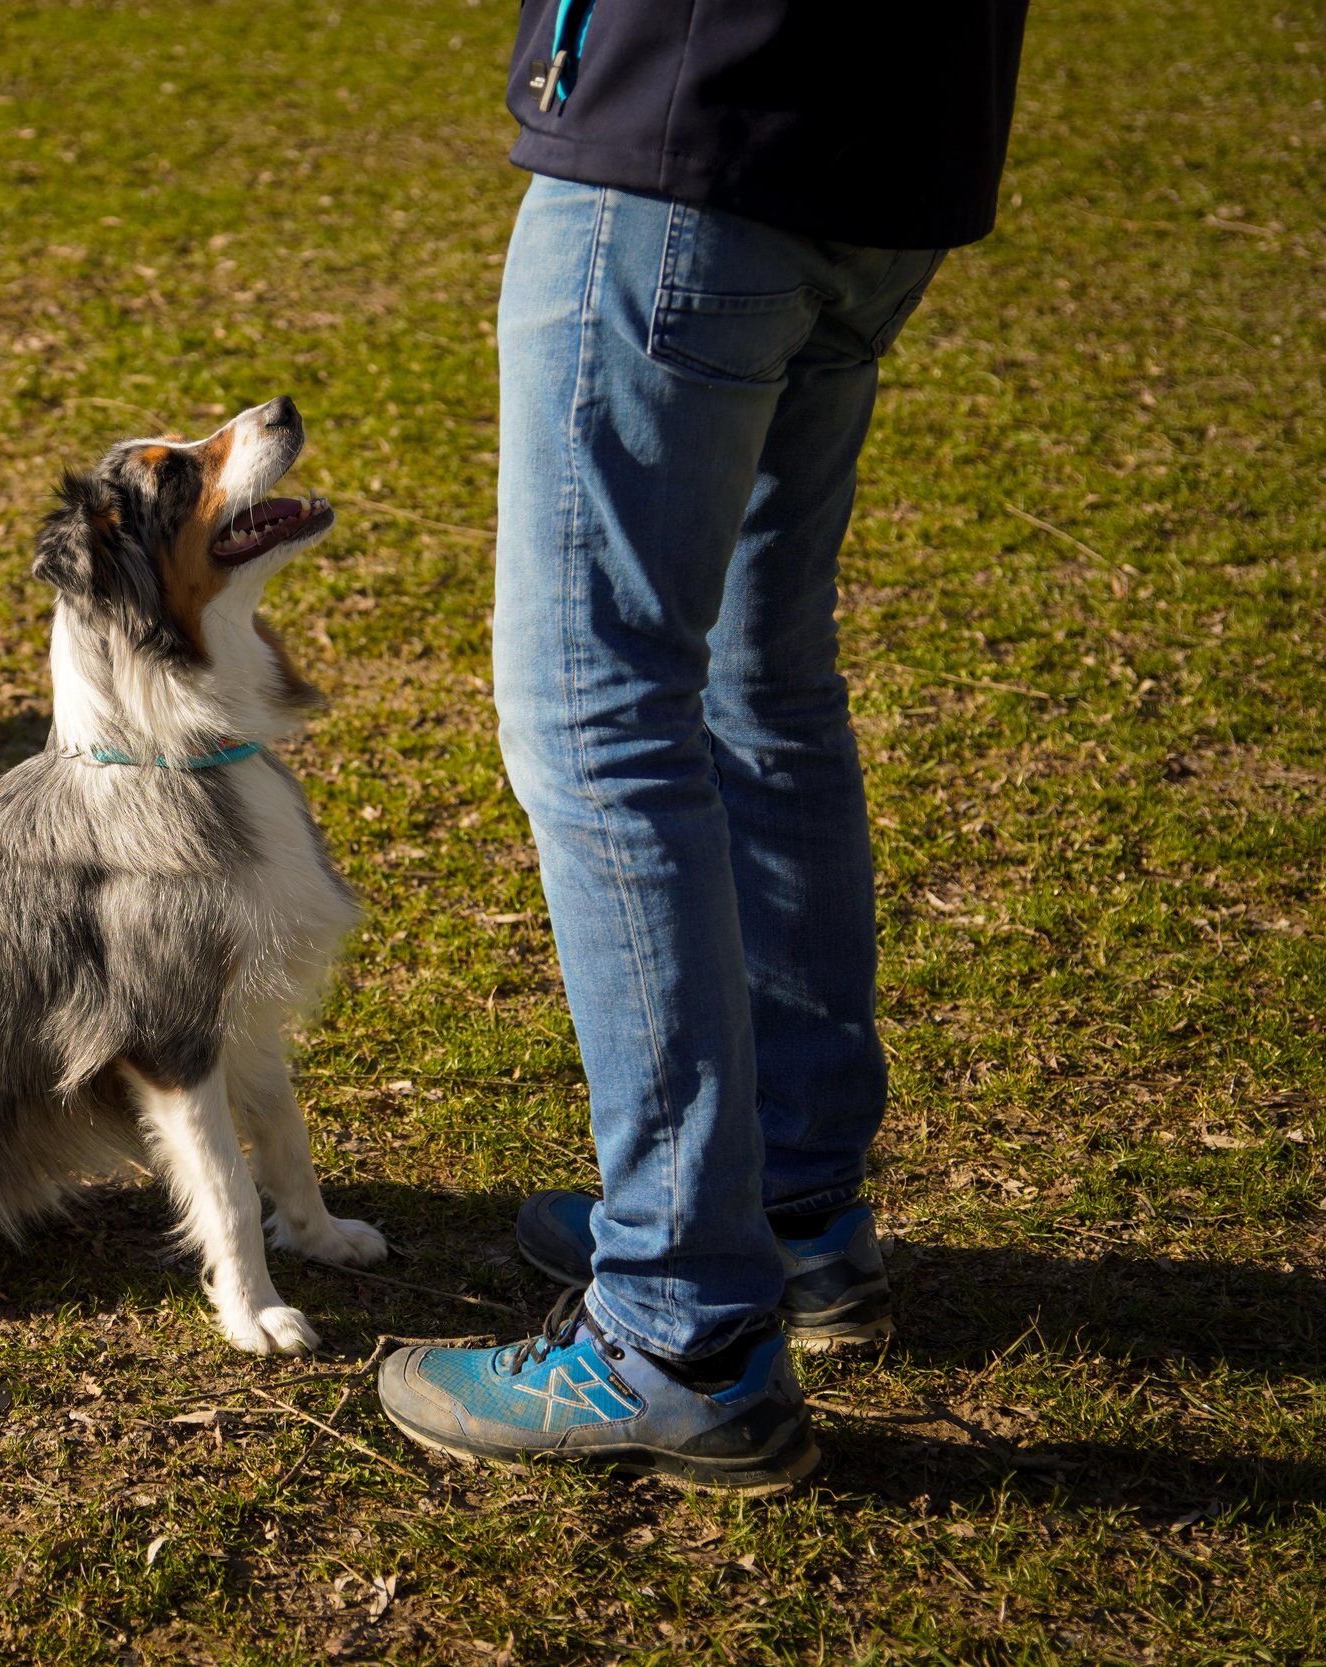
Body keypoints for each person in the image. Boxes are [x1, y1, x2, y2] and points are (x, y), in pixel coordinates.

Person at [376, 1, 1031, 1493]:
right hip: (890, 149)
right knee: (760, 682)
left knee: (598, 715)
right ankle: (792, 1210)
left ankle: (681, 1323)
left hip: (689, 135)